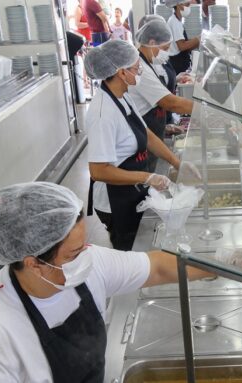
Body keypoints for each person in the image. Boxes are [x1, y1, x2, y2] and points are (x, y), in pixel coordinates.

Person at [0, 182, 214, 382]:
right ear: (34, 263)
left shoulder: (88, 262)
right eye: (74, 253)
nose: (87, 254)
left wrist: (224, 265)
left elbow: (157, 268)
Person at [83, 39, 191, 250]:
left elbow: (146, 134)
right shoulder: (102, 114)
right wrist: (147, 177)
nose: (140, 70)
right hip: (115, 202)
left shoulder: (123, 96)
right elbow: (98, 171)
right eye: (136, 68)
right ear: (122, 73)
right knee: (128, 250)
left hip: (132, 189)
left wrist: (177, 163)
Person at [127, 19, 194, 171]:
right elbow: (171, 103)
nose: (166, 53)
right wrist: (204, 109)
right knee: (144, 178)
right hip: (141, 141)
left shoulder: (148, 64)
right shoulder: (140, 69)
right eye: (165, 48)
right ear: (151, 42)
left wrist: (164, 127)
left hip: (151, 135)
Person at [165, 0, 201, 74]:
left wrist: (198, 43)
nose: (188, 8)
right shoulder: (174, 22)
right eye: (187, 5)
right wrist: (198, 38)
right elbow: (182, 46)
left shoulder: (177, 21)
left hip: (180, 61)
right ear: (179, 5)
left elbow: (185, 45)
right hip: (177, 63)